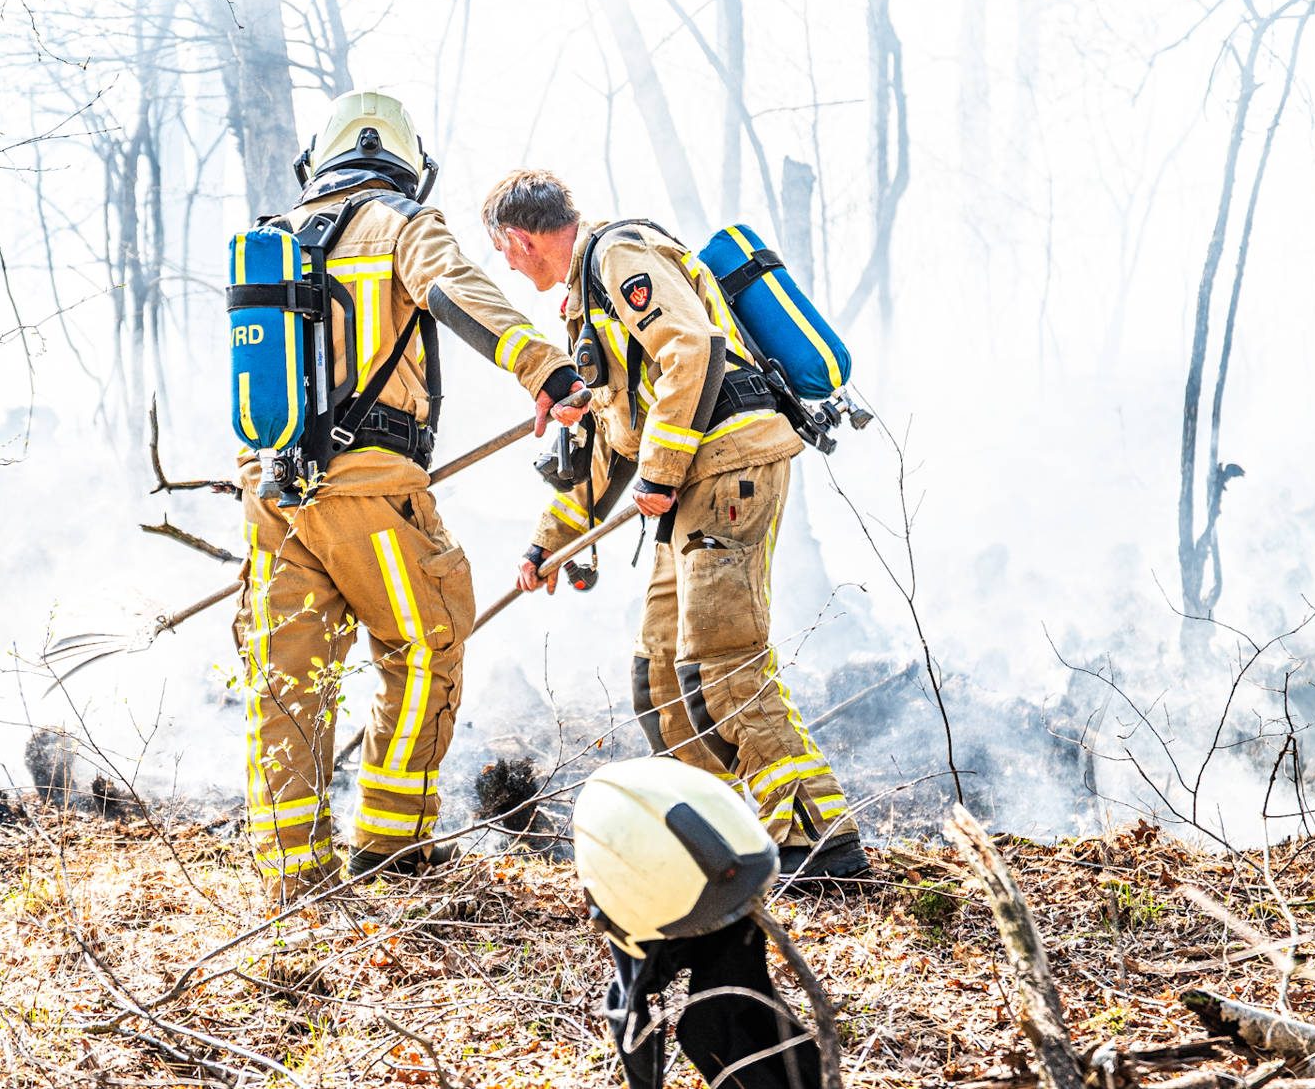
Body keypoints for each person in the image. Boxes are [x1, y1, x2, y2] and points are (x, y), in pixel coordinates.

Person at [234, 93, 586, 901]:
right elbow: (457, 289)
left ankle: (293, 881)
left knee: (287, 678)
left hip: (271, 495)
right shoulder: (399, 221)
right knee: (424, 645)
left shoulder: (273, 239)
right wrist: (546, 369)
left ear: (317, 160)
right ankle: (390, 853)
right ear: (405, 161)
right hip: (372, 489)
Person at [482, 169, 867, 882]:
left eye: (504, 253)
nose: (506, 266)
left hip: (726, 467)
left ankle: (823, 848)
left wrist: (659, 471)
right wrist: (548, 542)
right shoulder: (587, 304)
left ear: (520, 238)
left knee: (723, 664)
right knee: (660, 679)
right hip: (692, 480)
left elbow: (690, 349)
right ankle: (719, 846)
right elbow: (611, 444)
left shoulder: (617, 257)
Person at [573, 756, 823, 1089]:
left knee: (721, 1012)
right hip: (661, 890)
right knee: (710, 1011)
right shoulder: (622, 870)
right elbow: (631, 1009)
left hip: (725, 874)